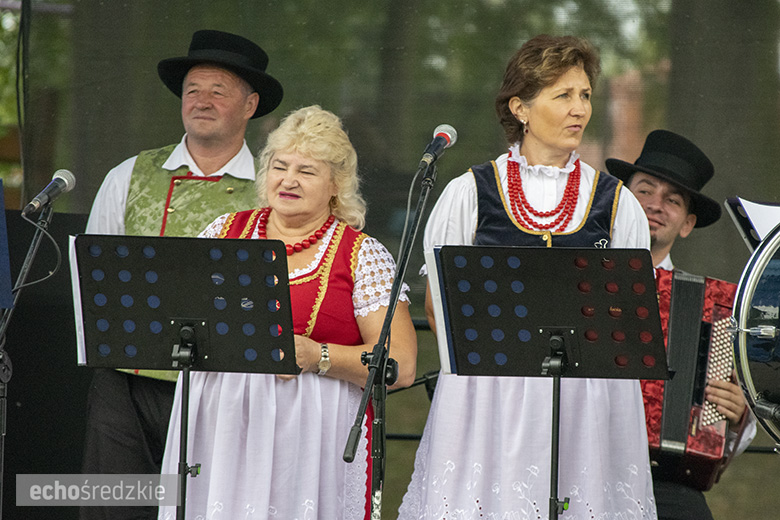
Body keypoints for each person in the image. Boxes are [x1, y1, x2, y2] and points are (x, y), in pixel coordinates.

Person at [399, 34, 656, 519]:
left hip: (585, 400)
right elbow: (441, 306)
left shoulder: (618, 202)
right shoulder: (469, 193)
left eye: (584, 96)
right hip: (489, 396)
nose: (579, 109)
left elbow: (627, 310)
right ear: (520, 107)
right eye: (563, 96)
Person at [157, 105, 418, 520]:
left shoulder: (361, 254)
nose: (288, 179)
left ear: (336, 184)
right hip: (221, 422)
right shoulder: (225, 232)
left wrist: (319, 356)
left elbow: (401, 366)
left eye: (307, 170)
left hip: (314, 431)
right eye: (280, 166)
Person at [81, 29, 283, 520]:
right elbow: (93, 278)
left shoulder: (273, 189)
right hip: (123, 378)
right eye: (193, 89)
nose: (202, 100)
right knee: (111, 506)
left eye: (219, 90)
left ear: (250, 104)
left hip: (221, 384)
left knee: (204, 506)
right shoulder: (127, 174)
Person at [606, 130, 757, 520]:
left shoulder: (713, 309)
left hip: (665, 482)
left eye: (672, 200)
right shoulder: (581, 276)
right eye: (644, 191)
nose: (656, 205)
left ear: (687, 224)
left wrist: (738, 415)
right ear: (619, 201)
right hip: (578, 466)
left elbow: (736, 429)